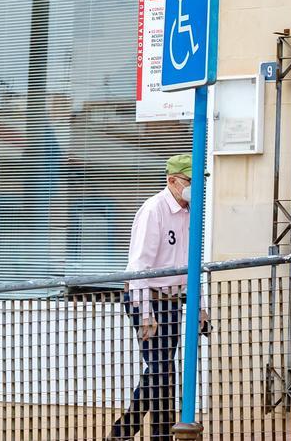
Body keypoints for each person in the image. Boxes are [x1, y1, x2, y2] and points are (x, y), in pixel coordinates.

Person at [111, 154, 207, 441]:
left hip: (172, 300)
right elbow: (139, 266)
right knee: (162, 370)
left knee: (161, 369)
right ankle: (156, 434)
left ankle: (125, 431)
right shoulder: (154, 210)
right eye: (191, 181)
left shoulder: (191, 212)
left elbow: (192, 264)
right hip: (147, 299)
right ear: (172, 181)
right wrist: (145, 315)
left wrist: (200, 308)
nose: (196, 187)